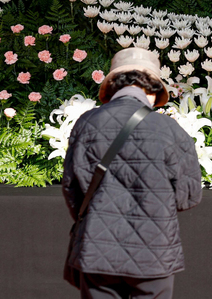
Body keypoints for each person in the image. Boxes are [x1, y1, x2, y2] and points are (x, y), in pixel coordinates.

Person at [62, 48, 202, 299]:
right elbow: (188, 197)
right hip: (154, 253)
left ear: (113, 87)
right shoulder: (169, 129)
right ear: (154, 89)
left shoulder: (87, 122)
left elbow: (72, 187)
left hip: (97, 248)